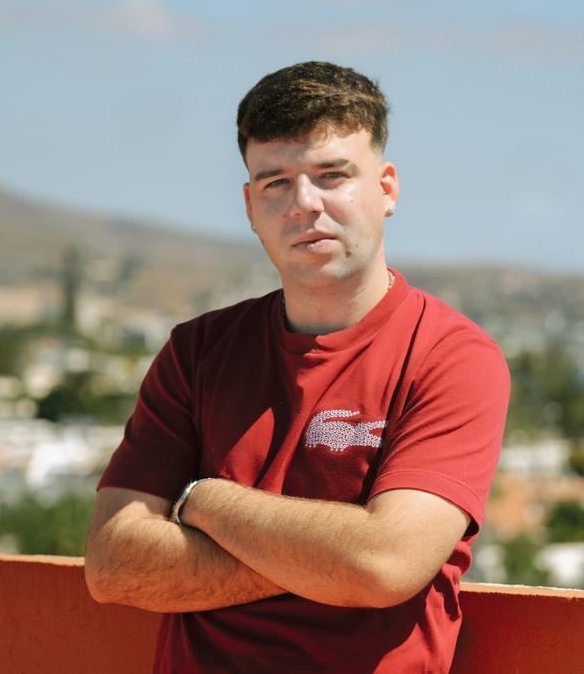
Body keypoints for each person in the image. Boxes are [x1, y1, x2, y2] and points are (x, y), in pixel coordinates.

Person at [85, 61, 510, 673]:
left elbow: (384, 565)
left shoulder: (450, 355)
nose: (304, 204)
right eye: (275, 182)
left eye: (332, 175)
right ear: (250, 205)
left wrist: (201, 500)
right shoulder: (198, 351)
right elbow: (114, 565)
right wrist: (330, 560)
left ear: (387, 189)